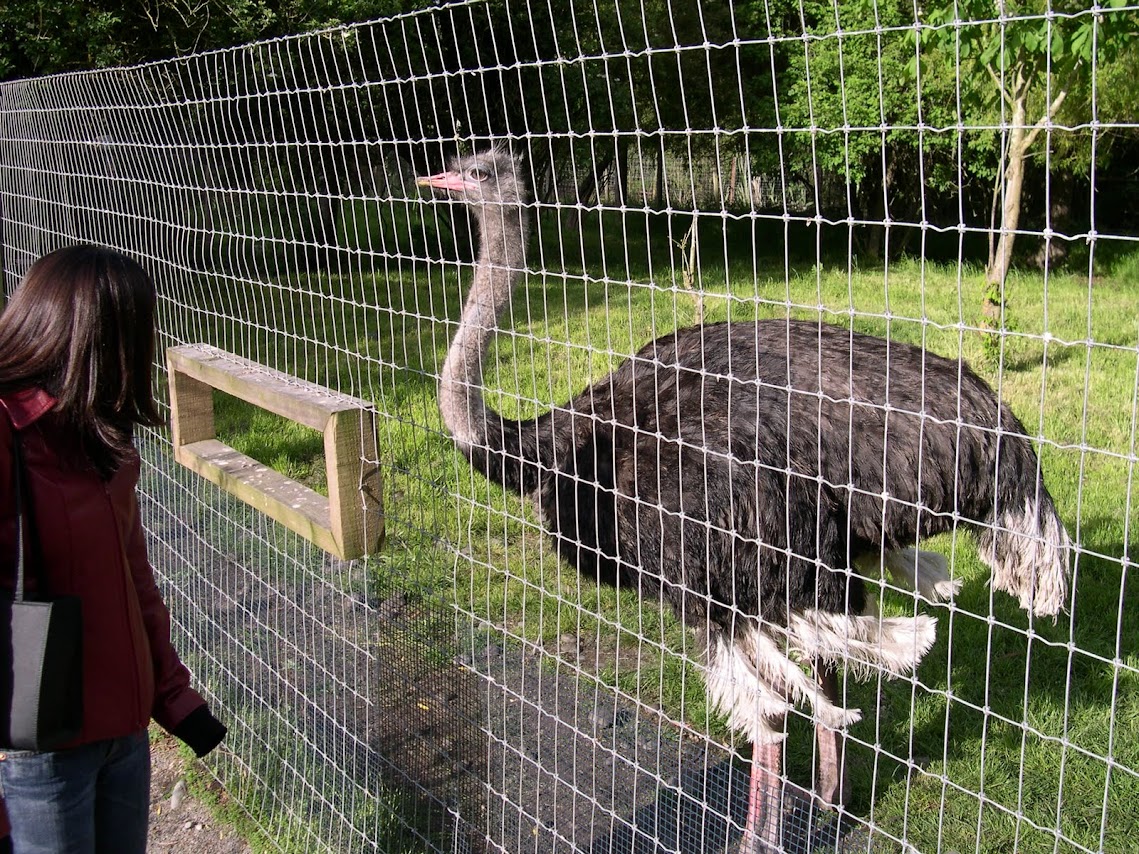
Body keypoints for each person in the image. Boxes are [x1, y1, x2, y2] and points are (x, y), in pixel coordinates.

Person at [0, 245, 226, 853]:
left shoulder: (103, 437)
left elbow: (133, 577)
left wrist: (173, 697)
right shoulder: (9, 434)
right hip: (37, 753)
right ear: (99, 338)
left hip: (123, 737)